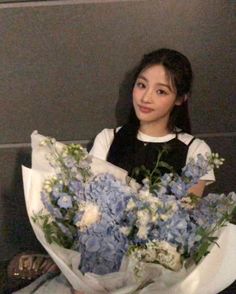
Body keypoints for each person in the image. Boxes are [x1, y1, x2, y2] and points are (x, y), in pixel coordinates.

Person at [11, 48, 215, 293]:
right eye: (142, 85)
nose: (146, 97)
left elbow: (186, 221)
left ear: (180, 98)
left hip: (159, 273)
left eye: (161, 91)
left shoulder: (195, 150)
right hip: (100, 263)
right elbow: (89, 207)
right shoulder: (109, 138)